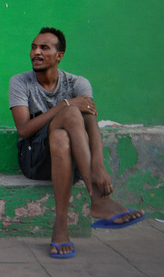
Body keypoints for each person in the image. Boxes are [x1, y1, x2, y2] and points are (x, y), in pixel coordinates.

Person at [9, 27, 145, 259]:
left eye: (44, 48)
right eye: (33, 47)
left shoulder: (78, 83)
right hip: (34, 158)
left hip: (70, 161)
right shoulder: (20, 82)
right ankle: (98, 200)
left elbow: (92, 127)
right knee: (72, 113)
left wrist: (99, 165)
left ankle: (60, 228)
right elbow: (23, 131)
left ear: (59, 55)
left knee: (62, 136)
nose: (36, 52)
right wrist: (64, 105)